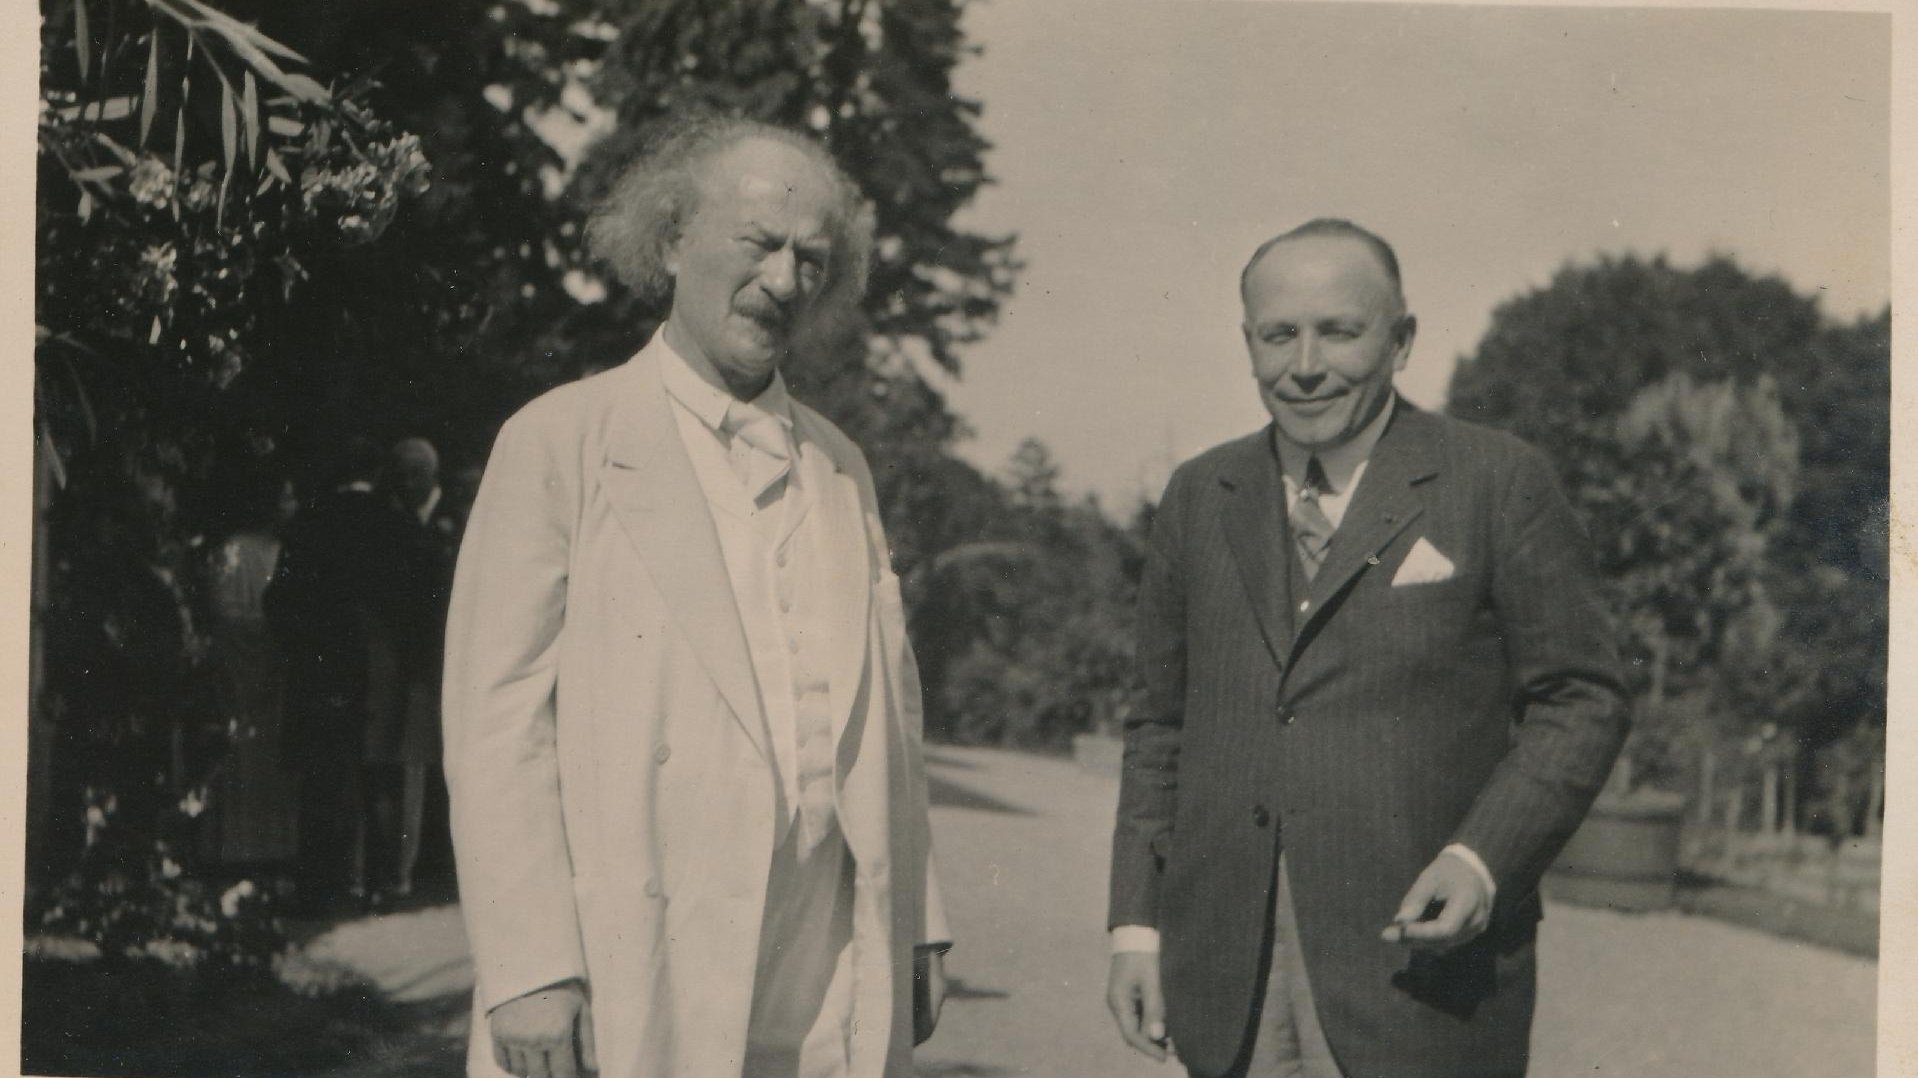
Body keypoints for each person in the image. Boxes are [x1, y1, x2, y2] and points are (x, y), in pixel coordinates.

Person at [443, 114, 949, 1078]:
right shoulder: (561, 440)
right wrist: (529, 967)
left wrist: (918, 921)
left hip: (819, 964)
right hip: (636, 950)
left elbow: (895, 710)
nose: (785, 281)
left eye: (812, 258)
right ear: (672, 239)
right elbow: (496, 721)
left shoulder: (842, 469)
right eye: (759, 244)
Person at [1105, 219, 1630, 1078]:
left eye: (1339, 332)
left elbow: (1583, 697)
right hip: (1226, 986)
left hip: (1419, 986)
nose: (1304, 365)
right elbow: (1159, 725)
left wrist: (1483, 859)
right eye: (1278, 335)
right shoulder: (1202, 494)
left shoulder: (1496, 481)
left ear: (1401, 340)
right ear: (1248, 344)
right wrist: (1135, 925)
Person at [368, 436, 459, 901]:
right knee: (411, 763)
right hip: (411, 663)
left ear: (430, 474)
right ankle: (411, 868)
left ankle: (442, 865)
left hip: (452, 658)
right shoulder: (391, 526)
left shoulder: (459, 519)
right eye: (399, 475)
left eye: (412, 475)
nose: (405, 485)